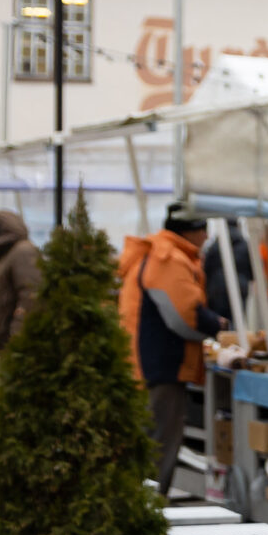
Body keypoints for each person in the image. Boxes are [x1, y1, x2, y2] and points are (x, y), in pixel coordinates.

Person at [116, 204, 225, 493]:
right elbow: (185, 315)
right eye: (204, 230)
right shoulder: (170, 259)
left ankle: (141, 503)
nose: (206, 237)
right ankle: (148, 507)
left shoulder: (158, 252)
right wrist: (219, 326)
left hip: (146, 362)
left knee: (150, 439)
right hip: (160, 365)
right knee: (160, 442)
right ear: (192, 231)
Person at [0, 209, 43, 355]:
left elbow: (32, 294)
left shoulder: (23, 251)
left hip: (14, 348)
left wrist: (17, 337)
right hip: (6, 348)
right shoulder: (8, 257)